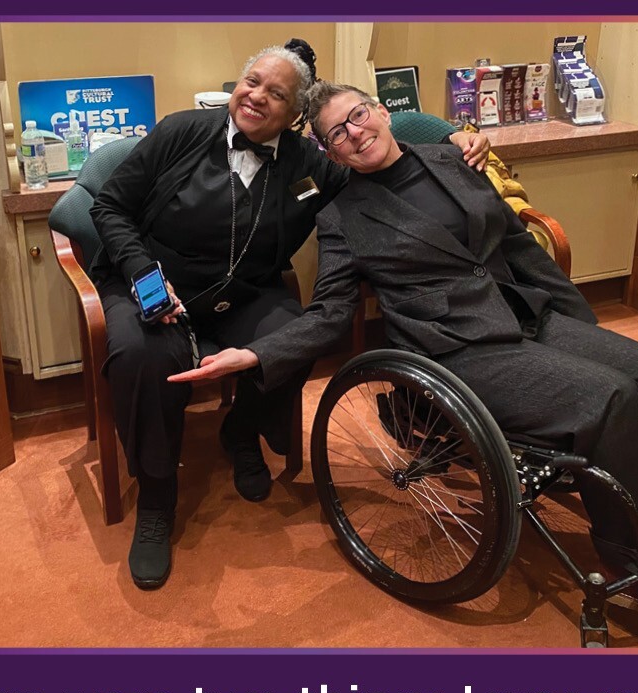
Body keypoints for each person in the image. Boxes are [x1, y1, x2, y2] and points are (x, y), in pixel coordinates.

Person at [171, 81, 638, 622]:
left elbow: (519, 246)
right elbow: (330, 314)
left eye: (358, 116)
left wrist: (581, 327)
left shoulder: (451, 161)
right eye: (337, 134)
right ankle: (634, 562)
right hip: (458, 349)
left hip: (525, 311)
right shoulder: (341, 219)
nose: (354, 133)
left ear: (383, 112)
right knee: (609, 396)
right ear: (333, 154)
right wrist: (256, 354)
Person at [89, 42, 490, 589]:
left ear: (297, 115)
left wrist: (453, 134)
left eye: (275, 93)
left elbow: (387, 131)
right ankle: (157, 499)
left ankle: (241, 429)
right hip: (152, 284)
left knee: (296, 335)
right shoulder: (180, 131)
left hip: (246, 293)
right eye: (251, 81)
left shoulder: (314, 164)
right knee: (141, 355)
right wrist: (143, 276)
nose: (255, 96)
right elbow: (109, 205)